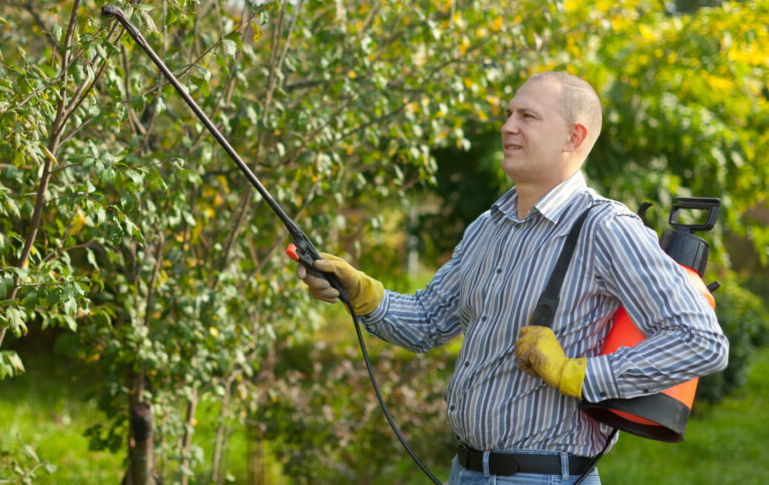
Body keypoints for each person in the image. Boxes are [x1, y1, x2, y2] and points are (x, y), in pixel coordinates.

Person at [297, 71, 729, 484]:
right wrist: (363, 293)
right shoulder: (488, 227)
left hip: (550, 477)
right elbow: (428, 322)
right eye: (508, 114)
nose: (508, 127)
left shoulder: (606, 227)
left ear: (573, 136)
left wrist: (579, 375)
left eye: (527, 116)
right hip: (465, 472)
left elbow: (701, 342)